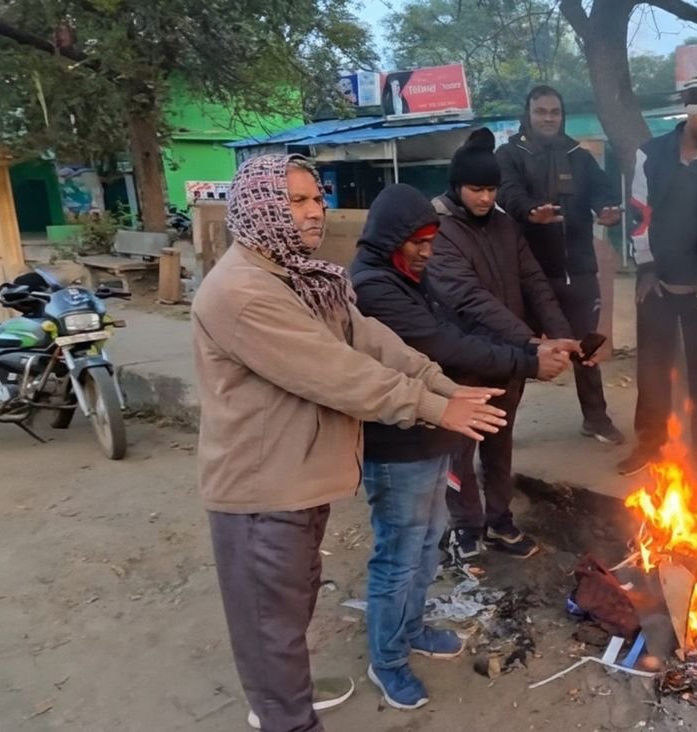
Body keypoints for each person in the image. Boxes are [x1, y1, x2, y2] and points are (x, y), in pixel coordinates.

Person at [192, 154, 506, 732]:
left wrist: (442, 383)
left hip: (300, 480)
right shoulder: (241, 292)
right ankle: (286, 715)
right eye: (299, 201)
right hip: (260, 490)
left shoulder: (304, 278)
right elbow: (337, 371)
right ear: (261, 207)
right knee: (271, 625)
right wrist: (434, 406)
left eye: (317, 198)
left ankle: (287, 698)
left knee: (292, 606)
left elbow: (374, 340)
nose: (316, 212)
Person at [348, 183, 570, 711]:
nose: (427, 251)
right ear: (390, 239)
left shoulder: (406, 278)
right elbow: (441, 344)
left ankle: (414, 627)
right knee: (398, 556)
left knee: (426, 546)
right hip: (395, 444)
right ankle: (388, 661)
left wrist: (528, 343)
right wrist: (526, 361)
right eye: (418, 242)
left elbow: (458, 326)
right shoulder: (374, 287)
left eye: (431, 239)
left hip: (430, 434)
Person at [429, 127, 579, 560]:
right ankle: (464, 529)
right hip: (462, 359)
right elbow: (467, 298)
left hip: (508, 358)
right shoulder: (437, 229)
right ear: (457, 186)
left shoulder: (503, 224)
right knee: (460, 449)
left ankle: (499, 521)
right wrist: (531, 341)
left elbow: (533, 279)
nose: (484, 198)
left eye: (491, 189)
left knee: (501, 442)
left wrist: (561, 332)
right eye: (476, 189)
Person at [618, 69, 697, 481]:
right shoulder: (649, 155)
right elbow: (640, 215)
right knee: (652, 370)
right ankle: (649, 443)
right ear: (689, 110)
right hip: (656, 281)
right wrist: (647, 268)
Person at [495, 85, 626, 445]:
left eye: (555, 112)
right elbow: (507, 192)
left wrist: (607, 209)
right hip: (528, 275)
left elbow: (602, 190)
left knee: (586, 347)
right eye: (541, 112)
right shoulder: (510, 154)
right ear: (529, 113)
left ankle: (596, 419)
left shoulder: (578, 155)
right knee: (519, 351)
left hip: (579, 272)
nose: (549, 118)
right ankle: (500, 429)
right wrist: (529, 212)